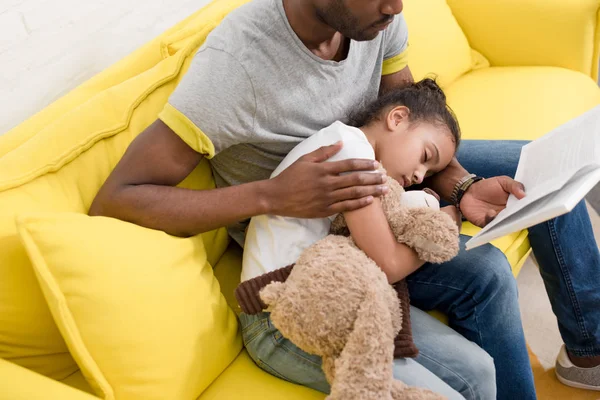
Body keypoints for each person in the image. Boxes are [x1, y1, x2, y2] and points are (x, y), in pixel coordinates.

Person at [88, 0, 600, 397]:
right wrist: (269, 195)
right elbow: (120, 198)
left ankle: (588, 352)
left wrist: (460, 188)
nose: (398, 8)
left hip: (377, 188)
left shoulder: (374, 20)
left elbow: (413, 121)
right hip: (313, 248)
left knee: (540, 169)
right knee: (485, 275)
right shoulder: (235, 68)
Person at [239, 79, 495, 399]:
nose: (419, 175)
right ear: (397, 118)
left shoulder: (364, 161)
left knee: (479, 369)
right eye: (425, 156)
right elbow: (387, 264)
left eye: (428, 173)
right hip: (282, 322)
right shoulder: (348, 151)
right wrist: (444, 225)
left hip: (344, 302)